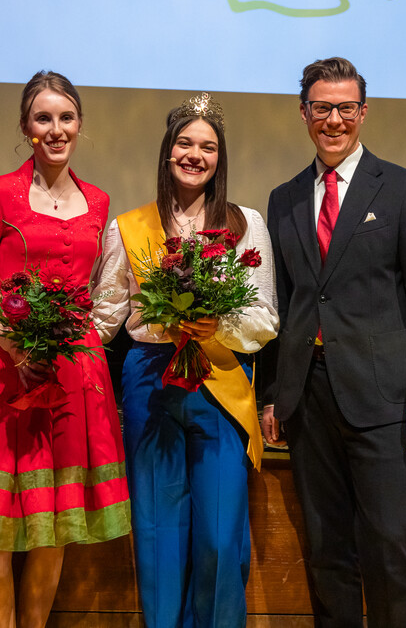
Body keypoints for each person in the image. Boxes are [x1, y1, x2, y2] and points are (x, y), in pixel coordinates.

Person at [0, 71, 131, 628]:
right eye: (43, 118)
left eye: (66, 117)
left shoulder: (98, 200)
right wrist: (13, 341)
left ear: (80, 125)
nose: (56, 129)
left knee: (57, 518)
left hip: (74, 369)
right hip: (6, 368)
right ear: (26, 126)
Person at [260, 57, 406, 627]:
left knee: (389, 547)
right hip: (308, 401)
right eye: (322, 108)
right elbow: (284, 304)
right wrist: (273, 393)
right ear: (304, 113)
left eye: (346, 108)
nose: (334, 120)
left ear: (363, 113)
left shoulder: (404, 190)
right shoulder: (285, 198)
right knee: (326, 553)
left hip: (384, 400)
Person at [93, 92, 279, 628]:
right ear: (167, 151)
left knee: (220, 536)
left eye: (208, 147)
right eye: (184, 143)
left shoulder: (247, 224)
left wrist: (215, 325)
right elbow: (107, 316)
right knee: (156, 534)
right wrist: (46, 340)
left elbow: (265, 316)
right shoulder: (128, 227)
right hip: (151, 379)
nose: (195, 154)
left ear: (220, 158)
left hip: (220, 377)